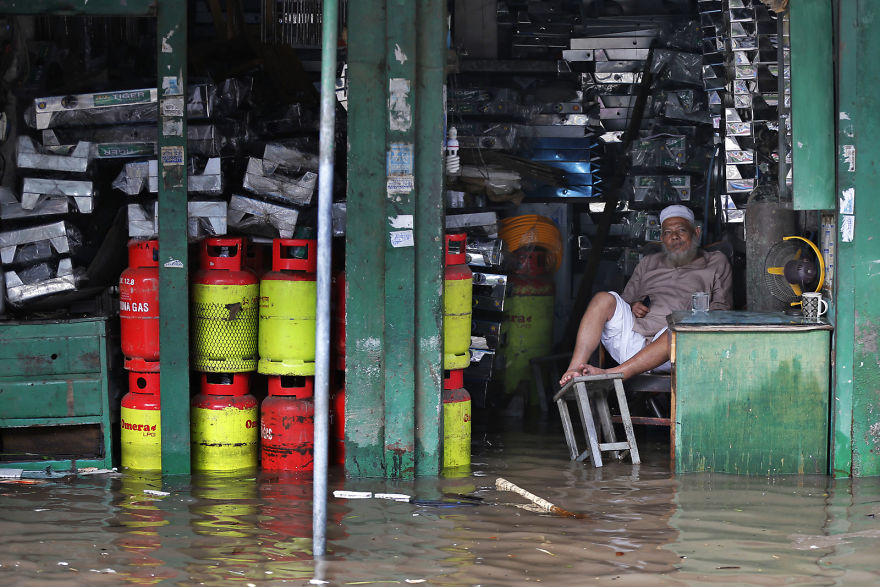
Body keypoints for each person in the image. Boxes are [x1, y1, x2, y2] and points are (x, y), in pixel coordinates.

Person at [559, 204, 732, 386]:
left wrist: (693, 318)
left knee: (680, 328)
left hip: (677, 348)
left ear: (696, 233)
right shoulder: (649, 262)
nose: (674, 237)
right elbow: (625, 301)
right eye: (667, 232)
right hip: (634, 339)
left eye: (681, 230)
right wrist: (633, 305)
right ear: (662, 238)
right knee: (603, 299)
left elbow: (721, 310)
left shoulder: (716, 261)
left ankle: (615, 374)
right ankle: (574, 368)